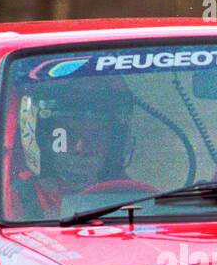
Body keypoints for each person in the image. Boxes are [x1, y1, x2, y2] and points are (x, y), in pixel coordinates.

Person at [12, 77, 135, 217]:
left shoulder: (134, 196)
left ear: (114, 146)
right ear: (44, 140)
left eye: (95, 137)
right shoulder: (15, 198)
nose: (81, 149)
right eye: (67, 135)